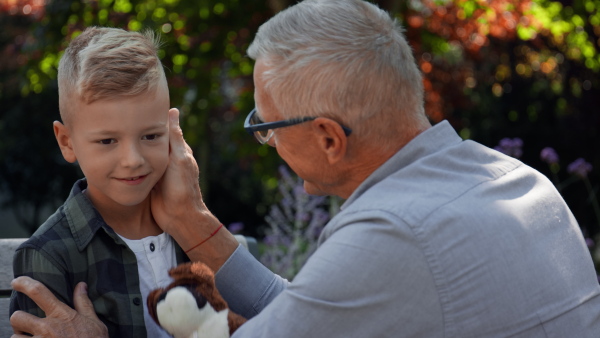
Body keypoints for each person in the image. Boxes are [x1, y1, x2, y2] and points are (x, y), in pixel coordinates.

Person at [10, 0, 600, 337]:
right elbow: (314, 311)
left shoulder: (395, 232)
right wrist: (194, 223)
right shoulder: (520, 185)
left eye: (266, 127)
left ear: (327, 137)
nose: (264, 142)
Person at [9, 27, 189, 337]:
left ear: (172, 128)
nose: (132, 159)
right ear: (67, 141)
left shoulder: (192, 228)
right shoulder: (48, 255)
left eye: (151, 136)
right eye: (107, 141)